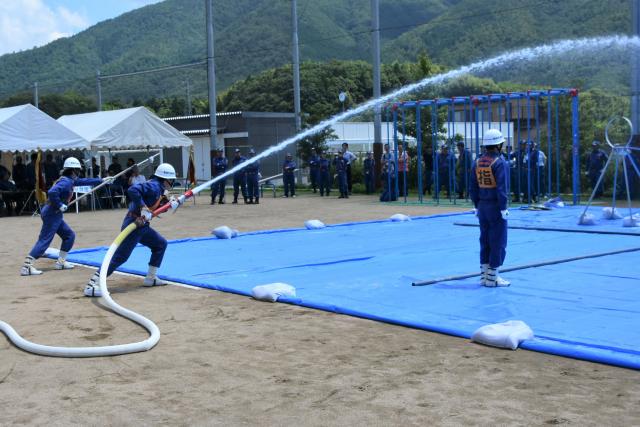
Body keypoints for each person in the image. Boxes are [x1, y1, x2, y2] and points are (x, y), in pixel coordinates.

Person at [84, 163, 183, 297]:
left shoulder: (158, 188)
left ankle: (151, 278)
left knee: (160, 244)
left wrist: (170, 205)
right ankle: (92, 284)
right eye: (171, 180)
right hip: (134, 224)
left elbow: (153, 209)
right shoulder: (154, 186)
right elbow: (132, 190)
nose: (172, 183)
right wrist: (142, 207)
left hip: (142, 226)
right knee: (120, 257)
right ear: (166, 179)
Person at [21, 157, 105, 276]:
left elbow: (84, 181)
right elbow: (52, 192)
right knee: (45, 240)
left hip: (54, 213)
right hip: (52, 213)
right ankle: (27, 266)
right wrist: (60, 205)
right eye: (78, 170)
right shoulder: (66, 182)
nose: (79, 172)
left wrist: (102, 180)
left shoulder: (70, 180)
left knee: (69, 236)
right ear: (73, 171)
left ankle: (61, 262)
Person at [469, 129, 510, 287]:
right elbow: (502, 188)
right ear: (498, 145)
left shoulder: (477, 162)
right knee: (498, 241)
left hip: (482, 207)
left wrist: (476, 206)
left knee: (484, 240)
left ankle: (484, 276)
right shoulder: (499, 162)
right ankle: (493, 278)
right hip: (495, 206)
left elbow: (472, 187)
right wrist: (503, 207)